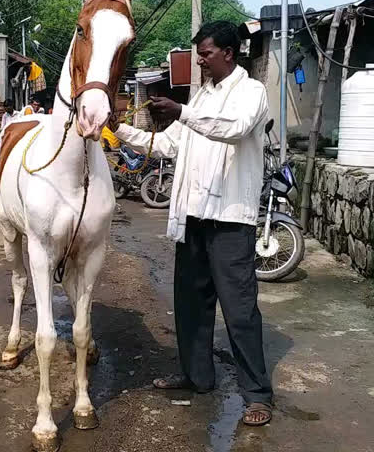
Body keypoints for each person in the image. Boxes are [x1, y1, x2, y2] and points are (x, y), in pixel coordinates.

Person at [108, 21, 273, 426]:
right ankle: (197, 376)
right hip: (194, 218)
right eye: (198, 53)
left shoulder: (252, 93)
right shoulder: (201, 95)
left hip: (231, 221)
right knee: (190, 305)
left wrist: (182, 111)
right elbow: (166, 144)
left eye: (206, 53)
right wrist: (118, 130)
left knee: (240, 311)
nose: (199, 60)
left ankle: (257, 395)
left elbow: (233, 130)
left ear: (229, 54)